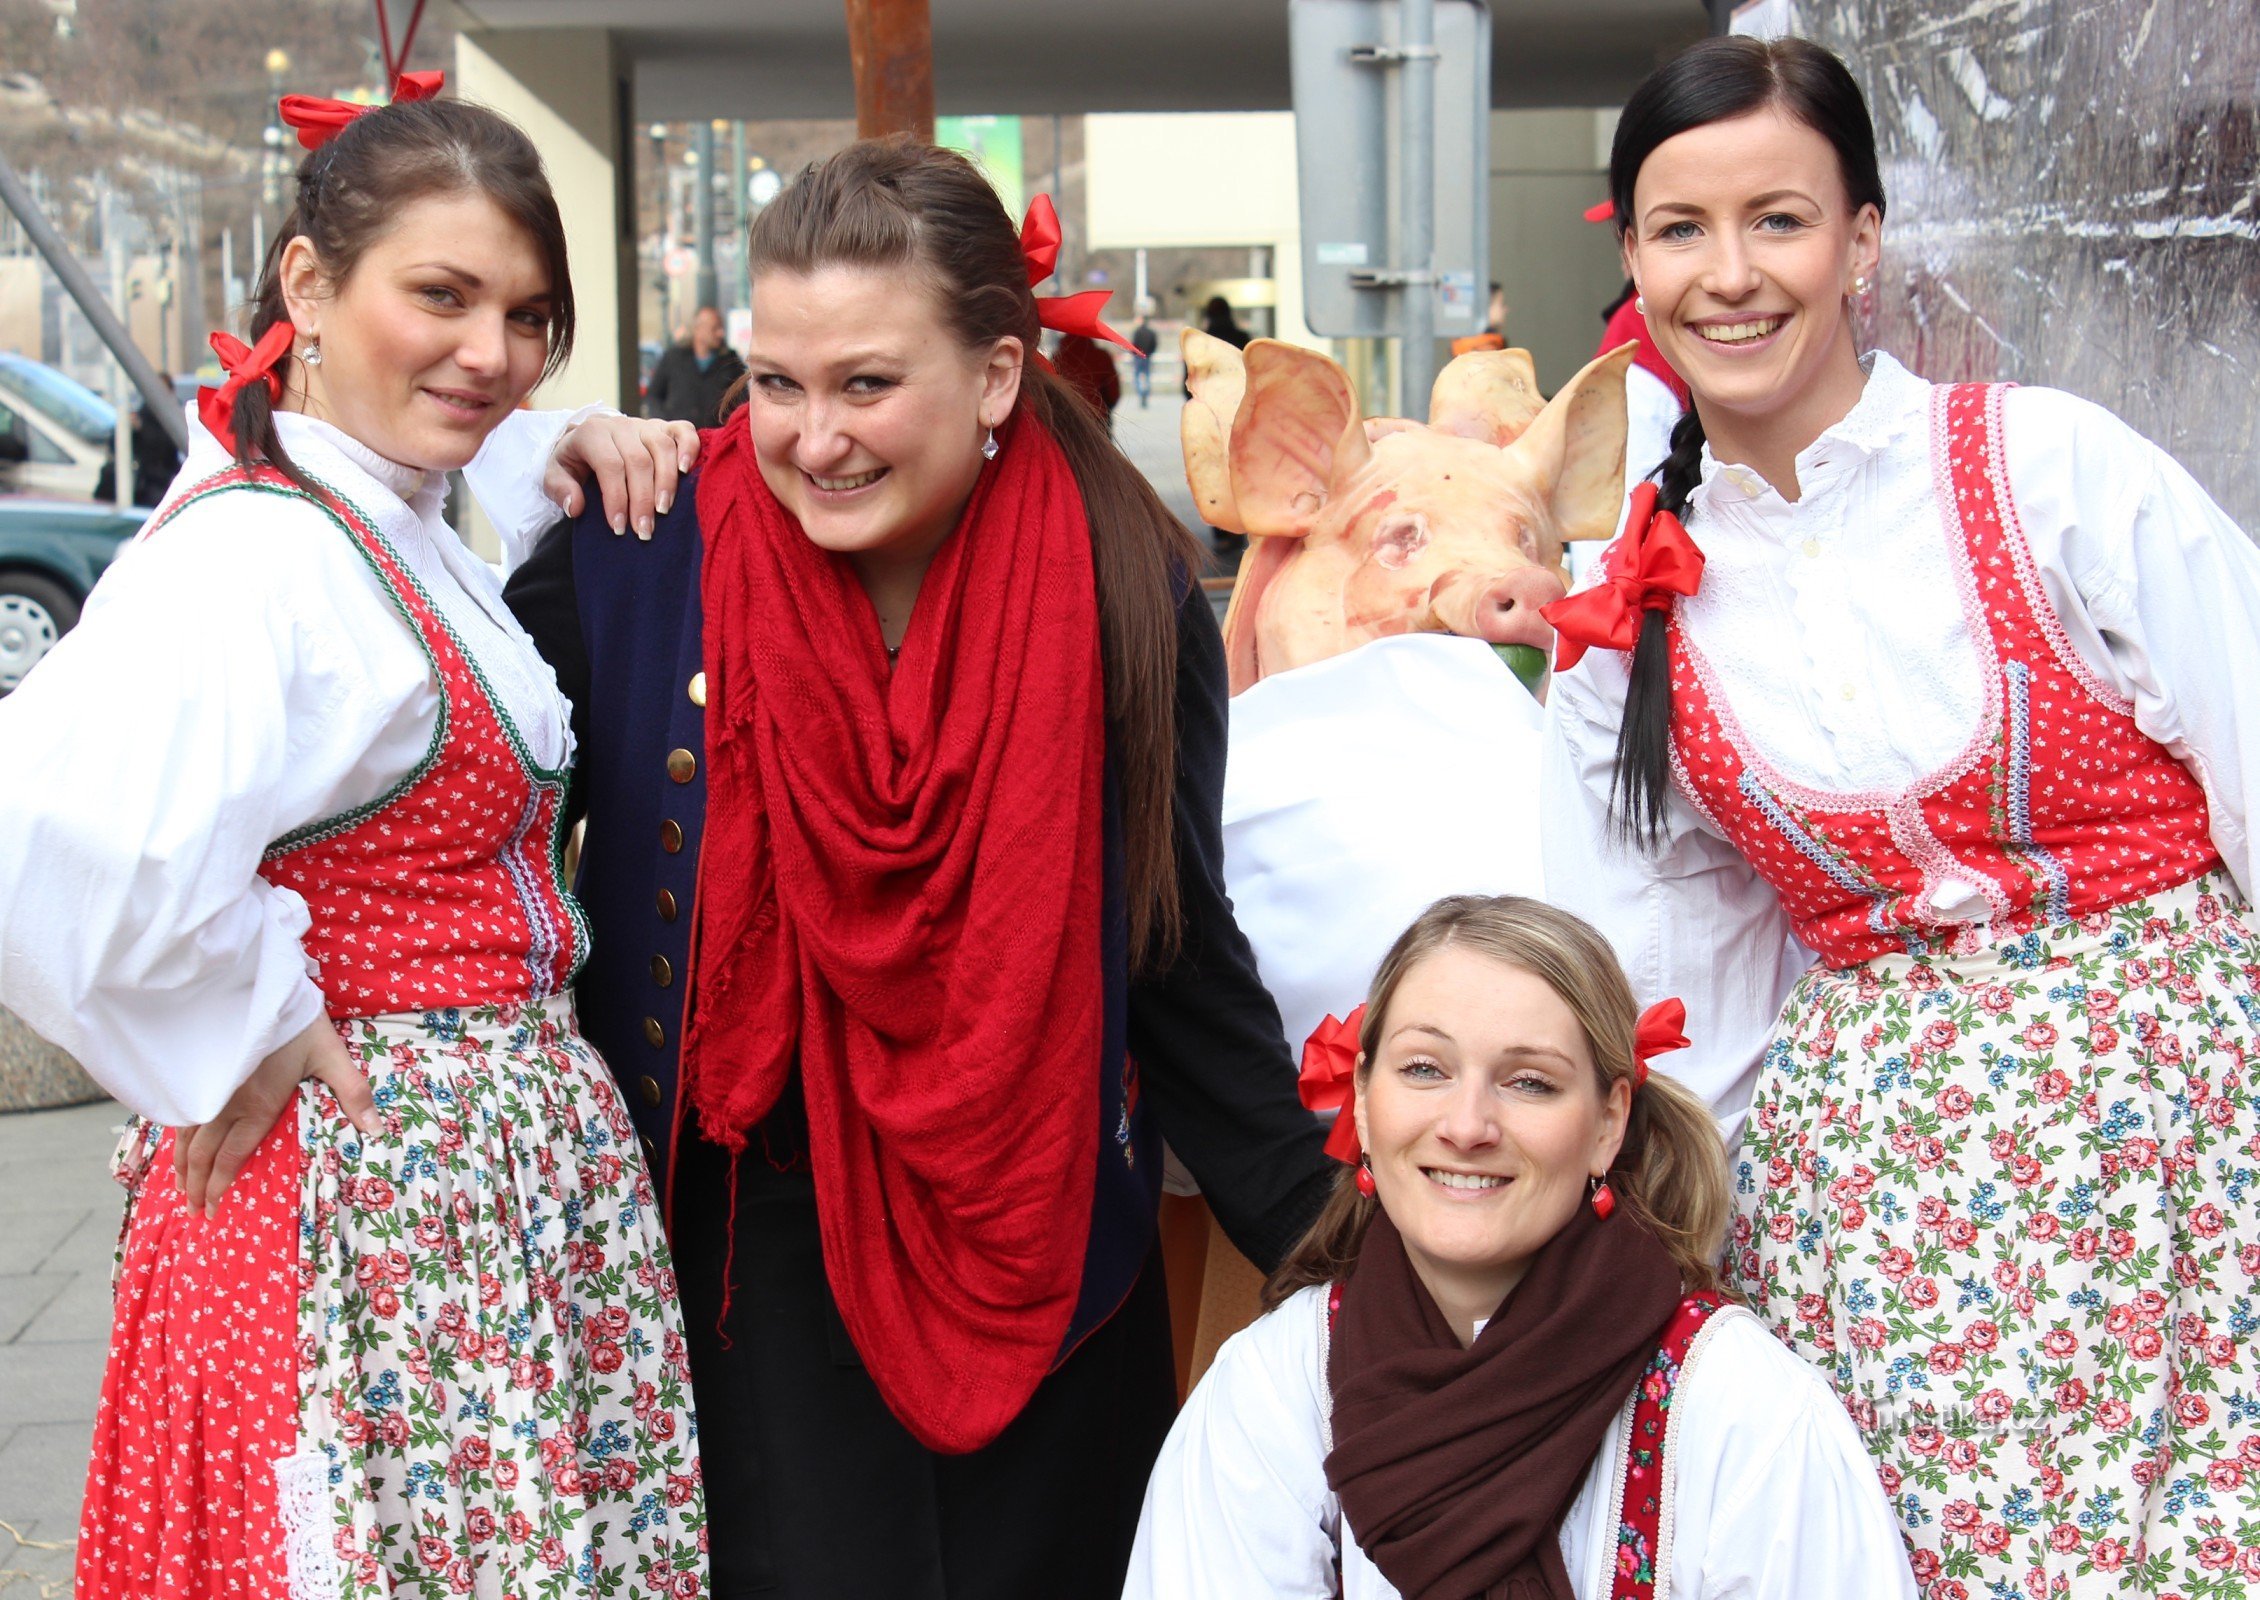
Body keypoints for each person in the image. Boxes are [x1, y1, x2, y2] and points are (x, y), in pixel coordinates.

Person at [478, 140, 1333, 1599]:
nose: (815, 437)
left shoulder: (1129, 588)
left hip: (1048, 1244)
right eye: (778, 383)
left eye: (868, 383)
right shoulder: (636, 555)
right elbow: (401, 742)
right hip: (744, 1283)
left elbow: (1175, 958)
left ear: (998, 375)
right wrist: (514, 453)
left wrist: (1365, 1254)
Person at [1542, 35, 2260, 1595]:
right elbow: (1671, 980)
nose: (1730, 275)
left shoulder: (2046, 467)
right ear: (1636, 263)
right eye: (1680, 229)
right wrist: (1686, 1268)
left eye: (1780, 220)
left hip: (2192, 1131)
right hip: (1888, 1209)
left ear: (1865, 239)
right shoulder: (1631, 612)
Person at [0, 85, 708, 1596]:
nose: (491, 353)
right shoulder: (258, 553)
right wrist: (235, 1017)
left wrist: (568, 441)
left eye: (527, 317)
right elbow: (49, 835)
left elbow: (443, 501)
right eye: (440, 296)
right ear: (308, 286)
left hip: (474, 1197)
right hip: (363, 1210)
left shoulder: (391, 516)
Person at [1125, 895, 1916, 1599]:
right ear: (1363, 1101)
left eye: (1529, 1082)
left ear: (1609, 1122)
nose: (1468, 1126)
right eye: (1426, 1069)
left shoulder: (1738, 1408)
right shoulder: (1276, 1389)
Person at [646, 304, 747, 428]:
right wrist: (664, 424)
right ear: (698, 330)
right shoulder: (673, 358)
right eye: (715, 328)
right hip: (677, 440)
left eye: (721, 327)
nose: (721, 333)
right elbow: (653, 396)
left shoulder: (731, 362)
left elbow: (743, 404)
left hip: (716, 440)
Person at [1054, 330, 1123, 432]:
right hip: (1097, 415)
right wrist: (1106, 409)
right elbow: (1113, 391)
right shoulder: (1101, 356)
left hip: (1066, 419)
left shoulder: (1058, 358)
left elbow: (1052, 391)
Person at [1129, 309, 1158, 407]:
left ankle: (1140, 392)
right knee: (1147, 375)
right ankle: (1146, 392)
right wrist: (1149, 353)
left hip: (1138, 357)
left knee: (1137, 375)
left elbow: (1133, 344)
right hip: (1147, 357)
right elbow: (1154, 345)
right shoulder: (1151, 333)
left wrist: (1134, 353)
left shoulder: (1137, 332)